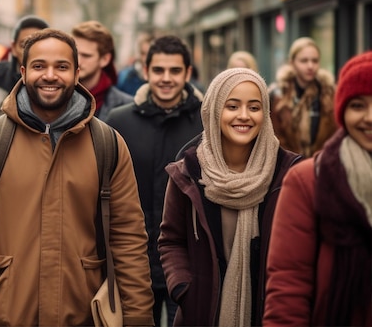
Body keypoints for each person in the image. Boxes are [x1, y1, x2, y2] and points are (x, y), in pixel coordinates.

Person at [0, 28, 155, 326]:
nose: (50, 76)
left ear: (77, 73)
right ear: (23, 71)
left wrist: (138, 318)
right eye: (40, 66)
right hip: (4, 314)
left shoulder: (107, 144)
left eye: (62, 67)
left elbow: (128, 237)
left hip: (82, 314)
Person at [158, 68, 301, 326]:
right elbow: (171, 240)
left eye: (254, 107)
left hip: (272, 316)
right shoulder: (186, 173)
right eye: (232, 106)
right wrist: (184, 289)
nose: (244, 116)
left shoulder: (290, 174)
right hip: (202, 315)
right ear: (213, 110)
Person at [263, 50, 372, 326]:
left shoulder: (322, 94)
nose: (369, 117)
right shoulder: (306, 182)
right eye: (357, 105)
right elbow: (289, 284)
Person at [106, 35, 204, 326]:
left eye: (175, 71)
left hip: (189, 262)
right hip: (133, 263)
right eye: (158, 70)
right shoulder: (119, 121)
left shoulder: (206, 120)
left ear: (187, 73)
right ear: (146, 71)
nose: (166, 78)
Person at [269, 37, 337, 157]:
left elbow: (334, 134)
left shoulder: (329, 93)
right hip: (287, 165)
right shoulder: (278, 94)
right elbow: (274, 136)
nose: (310, 66)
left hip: (322, 165)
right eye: (304, 61)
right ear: (292, 62)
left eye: (315, 61)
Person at [0, 14, 49, 117]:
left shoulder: (58, 82)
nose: (31, 51)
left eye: (39, 45)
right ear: (13, 48)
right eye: (24, 45)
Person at [72, 20, 133, 121]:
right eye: (75, 53)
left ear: (105, 59)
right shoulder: (57, 98)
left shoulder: (126, 106)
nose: (78, 61)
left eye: (86, 56)